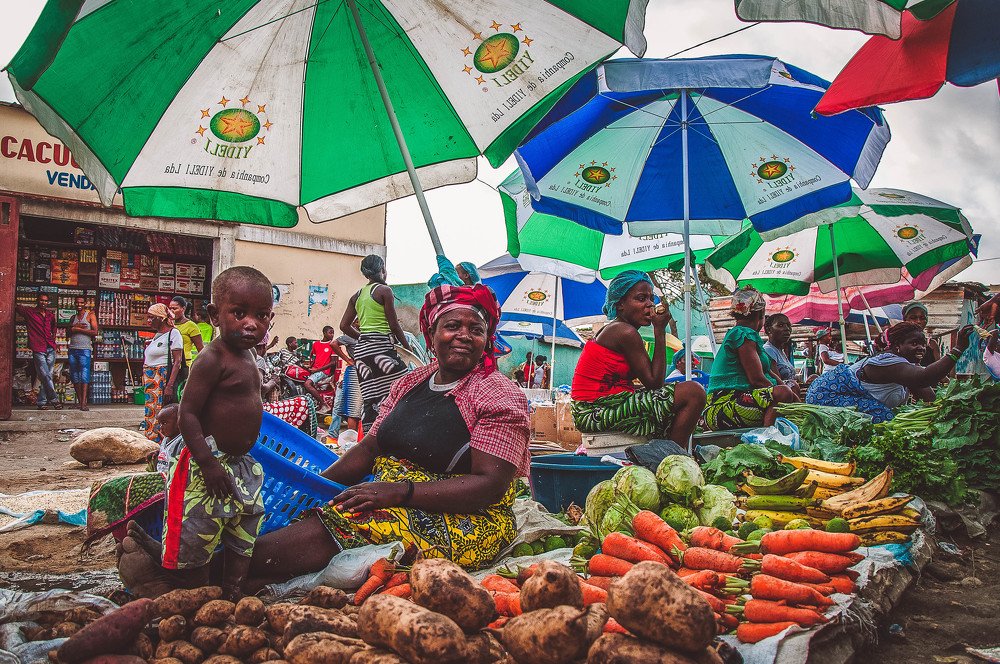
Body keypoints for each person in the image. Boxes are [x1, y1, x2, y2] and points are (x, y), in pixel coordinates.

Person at [194, 282, 531, 588]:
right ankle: (228, 574)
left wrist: (401, 492)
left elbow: (490, 485)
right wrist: (313, 490)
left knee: (352, 519)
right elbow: (370, 447)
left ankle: (205, 570)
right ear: (432, 334)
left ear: (487, 339)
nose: (464, 335)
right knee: (320, 513)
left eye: (476, 329)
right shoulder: (412, 382)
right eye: (452, 326)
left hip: (469, 518)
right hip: (395, 493)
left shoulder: (497, 394)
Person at [125, 266, 275, 600]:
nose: (251, 323)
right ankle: (193, 591)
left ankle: (233, 591)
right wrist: (207, 463)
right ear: (214, 315)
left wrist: (266, 386)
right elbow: (188, 413)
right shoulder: (211, 357)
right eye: (239, 313)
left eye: (261, 315)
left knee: (243, 530)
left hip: (240, 465)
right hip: (204, 466)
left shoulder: (249, 354)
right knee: (196, 535)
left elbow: (245, 395)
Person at [571, 271, 706, 442]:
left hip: (599, 405)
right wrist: (659, 331)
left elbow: (651, 383)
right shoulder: (625, 332)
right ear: (620, 305)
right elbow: (654, 383)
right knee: (694, 393)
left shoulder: (619, 329)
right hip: (593, 410)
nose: (649, 305)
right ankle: (672, 455)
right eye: (641, 299)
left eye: (651, 298)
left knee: (677, 396)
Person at [807, 322, 974, 423]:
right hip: (826, 395)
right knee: (884, 417)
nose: (921, 348)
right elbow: (924, 378)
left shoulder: (906, 368)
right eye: (914, 343)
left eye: (923, 344)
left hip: (840, 395)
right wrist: (958, 349)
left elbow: (930, 399)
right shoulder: (887, 363)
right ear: (897, 346)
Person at [704, 286, 799, 430]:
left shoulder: (748, 338)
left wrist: (796, 401)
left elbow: (771, 375)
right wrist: (786, 396)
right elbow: (757, 379)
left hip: (738, 402)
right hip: (724, 405)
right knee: (783, 393)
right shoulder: (743, 334)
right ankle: (767, 436)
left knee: (786, 391)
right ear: (761, 314)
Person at [340, 255, 412, 428]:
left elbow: (344, 325)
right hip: (381, 349)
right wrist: (408, 347)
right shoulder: (384, 291)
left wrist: (363, 338)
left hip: (362, 352)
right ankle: (399, 431)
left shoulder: (356, 296)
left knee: (371, 398)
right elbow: (394, 325)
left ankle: (370, 438)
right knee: (406, 387)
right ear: (382, 270)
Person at [141, 304, 184, 443]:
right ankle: (151, 440)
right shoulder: (157, 336)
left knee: (159, 412)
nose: (149, 321)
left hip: (162, 378)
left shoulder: (174, 333)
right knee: (151, 411)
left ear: (161, 318)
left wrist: (169, 386)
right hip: (151, 380)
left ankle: (160, 442)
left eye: (151, 317)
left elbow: (177, 361)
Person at [15, 293, 60, 410]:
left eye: (45, 301)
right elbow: (17, 307)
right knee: (45, 375)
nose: (43, 302)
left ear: (47, 302)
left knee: (48, 375)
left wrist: (53, 341)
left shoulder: (50, 315)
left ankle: (41, 402)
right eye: (41, 300)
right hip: (38, 348)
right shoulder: (30, 313)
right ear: (37, 301)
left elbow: (54, 328)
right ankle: (54, 400)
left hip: (50, 347)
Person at [68, 296, 99, 411]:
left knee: (84, 375)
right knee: (74, 375)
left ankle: (84, 403)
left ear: (85, 303)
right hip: (72, 349)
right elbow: (68, 332)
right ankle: (80, 402)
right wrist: (73, 328)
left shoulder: (90, 315)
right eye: (77, 303)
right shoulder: (73, 317)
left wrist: (78, 329)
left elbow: (95, 332)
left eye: (81, 302)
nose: (79, 304)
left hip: (85, 349)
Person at [763, 313, 799, 391]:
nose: (787, 329)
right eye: (780, 325)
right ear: (769, 330)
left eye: (788, 325)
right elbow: (777, 384)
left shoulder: (780, 351)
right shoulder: (768, 350)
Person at [901, 302, 941, 367]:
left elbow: (939, 370)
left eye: (922, 318)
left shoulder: (932, 344)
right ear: (905, 319)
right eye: (913, 318)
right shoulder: (899, 342)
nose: (918, 321)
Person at [169, 296, 205, 367]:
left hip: (184, 365)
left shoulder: (191, 326)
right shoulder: (168, 324)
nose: (171, 311)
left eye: (175, 308)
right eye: (170, 308)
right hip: (169, 363)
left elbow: (201, 350)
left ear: (183, 309)